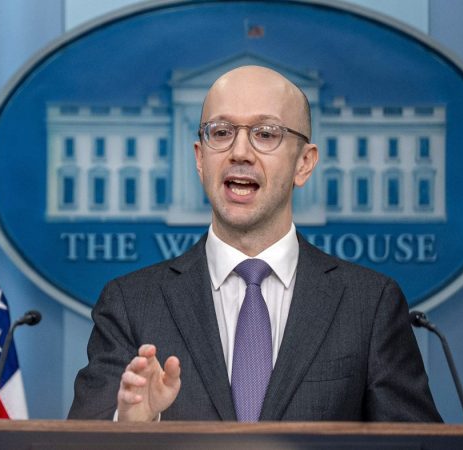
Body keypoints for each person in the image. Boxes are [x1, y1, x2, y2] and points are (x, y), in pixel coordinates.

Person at [68, 65, 442, 422]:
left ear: (304, 164)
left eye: (265, 133)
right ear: (200, 159)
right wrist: (131, 426)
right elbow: (79, 443)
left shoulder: (370, 305)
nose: (240, 152)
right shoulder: (129, 305)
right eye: (220, 132)